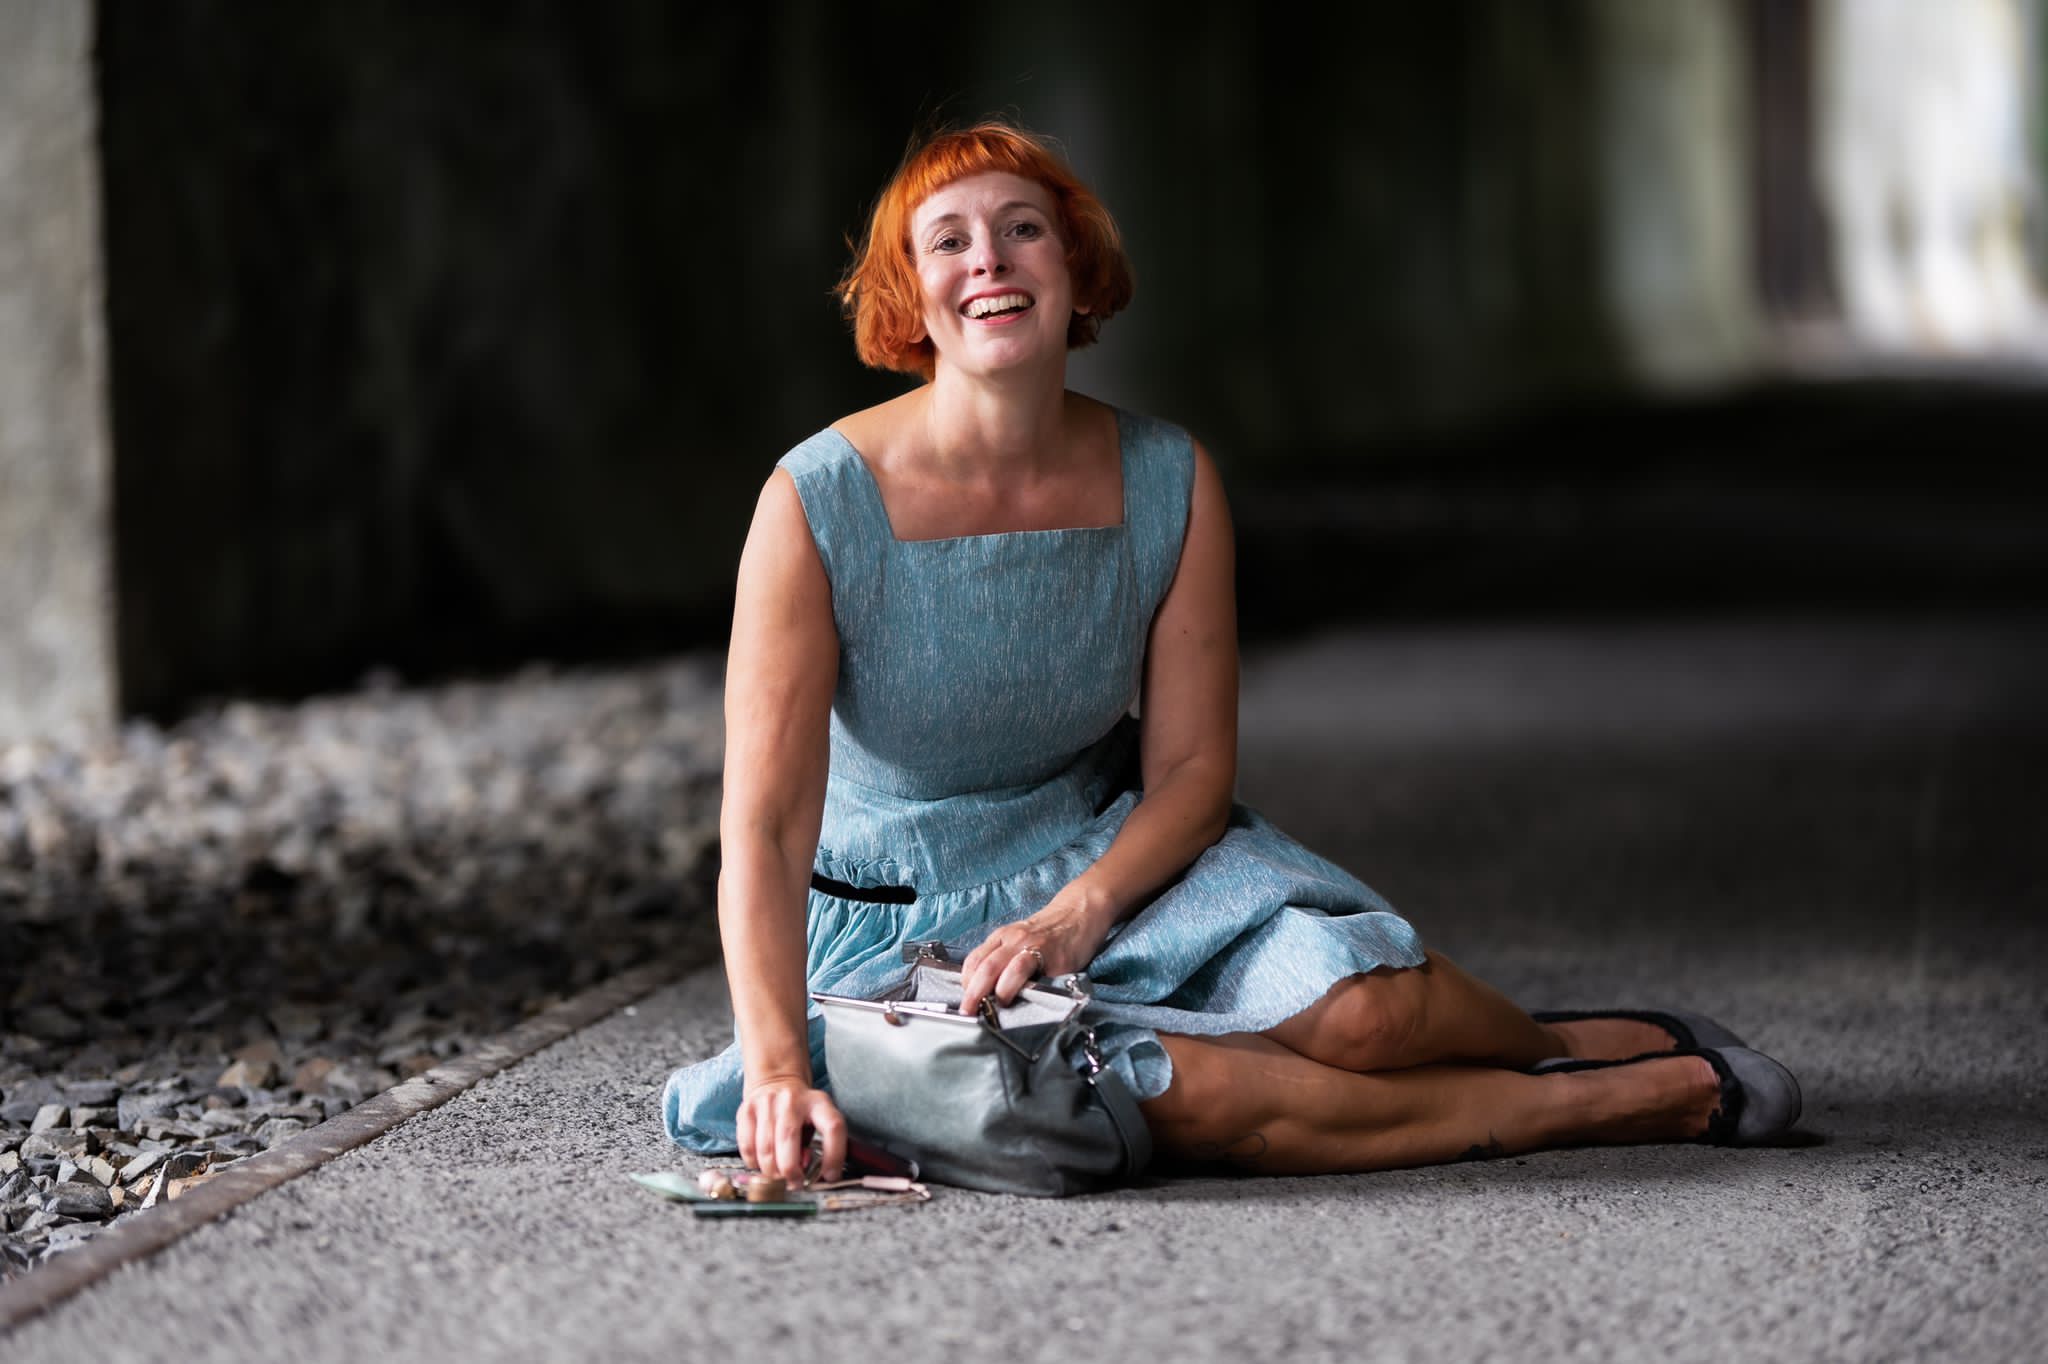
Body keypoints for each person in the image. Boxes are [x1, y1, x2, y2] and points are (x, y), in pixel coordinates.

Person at [660, 119, 1800, 1185]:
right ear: (910, 293)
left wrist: (1078, 912)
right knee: (1184, 1089)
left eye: (1021, 228)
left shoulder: (1170, 477)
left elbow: (1193, 773)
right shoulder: (815, 502)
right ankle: (1605, 1102)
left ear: (1075, 267)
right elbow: (764, 828)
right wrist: (776, 1065)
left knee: (1371, 1016)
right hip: (900, 927)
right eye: (947, 241)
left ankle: (1561, 1043)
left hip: (1113, 865)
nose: (988, 259)